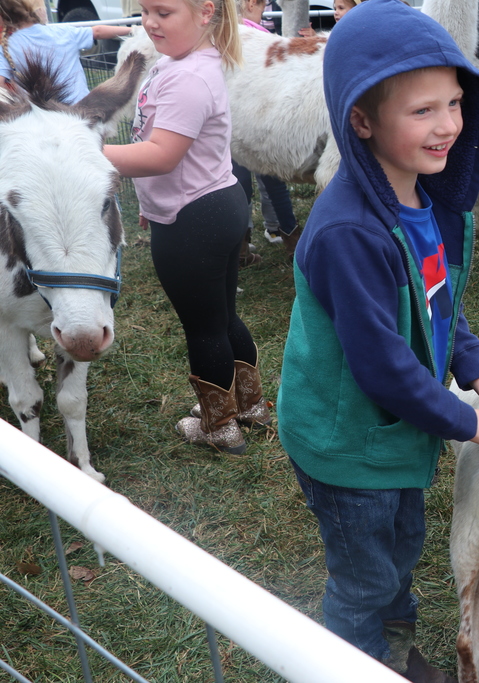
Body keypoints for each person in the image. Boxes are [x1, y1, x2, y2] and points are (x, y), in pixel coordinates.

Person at [276, 0, 479, 680]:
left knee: (399, 546)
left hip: (395, 436)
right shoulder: (349, 234)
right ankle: (346, 663)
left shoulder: (418, 202)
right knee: (363, 578)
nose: (449, 126)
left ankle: (390, 652)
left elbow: (439, 307)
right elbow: (384, 368)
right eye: (422, 111)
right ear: (361, 121)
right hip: (347, 446)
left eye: (455, 103)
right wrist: (471, 421)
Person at [104, 0, 269, 454]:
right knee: (221, 317)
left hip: (193, 218)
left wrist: (83, 151)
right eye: (145, 12)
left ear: (204, 12)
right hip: (214, 204)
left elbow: (161, 155)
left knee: (204, 328)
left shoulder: (187, 76)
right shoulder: (187, 63)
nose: (150, 23)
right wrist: (148, 200)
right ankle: (249, 405)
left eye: (163, 12)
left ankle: (219, 427)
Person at [234, 0, 302, 260]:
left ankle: (241, 245)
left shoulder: (226, 40)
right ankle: (289, 237)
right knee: (274, 184)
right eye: (262, 7)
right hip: (261, 124)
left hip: (239, 124)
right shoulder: (260, 38)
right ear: (252, 4)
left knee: (239, 185)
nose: (264, 12)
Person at [0, 0, 132, 103]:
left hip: (43, 114)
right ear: (37, 10)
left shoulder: (7, 46)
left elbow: (2, 83)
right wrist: (133, 30)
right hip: (81, 108)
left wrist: (18, 95)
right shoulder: (64, 32)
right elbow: (97, 31)